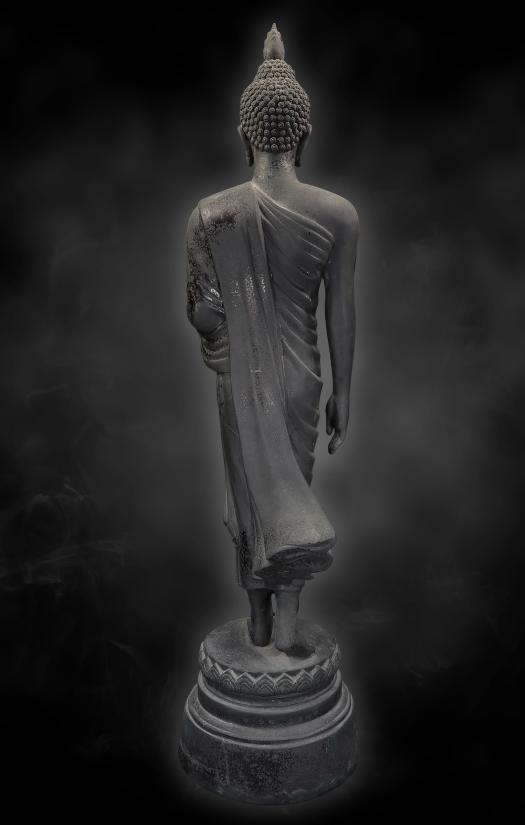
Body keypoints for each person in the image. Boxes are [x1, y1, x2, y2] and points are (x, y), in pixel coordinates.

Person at [187, 24, 358, 653]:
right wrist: (344, 391)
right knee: (291, 496)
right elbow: (342, 311)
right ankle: (285, 623)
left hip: (243, 380)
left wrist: (226, 333)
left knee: (252, 498)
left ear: (245, 136)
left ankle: (258, 620)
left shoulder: (213, 214)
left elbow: (202, 314)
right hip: (302, 379)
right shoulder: (338, 214)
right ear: (304, 136)